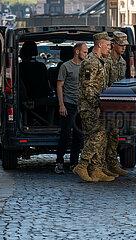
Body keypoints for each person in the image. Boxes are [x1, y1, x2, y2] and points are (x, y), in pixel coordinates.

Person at [73, 32, 115, 182]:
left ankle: (96, 169)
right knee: (98, 135)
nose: (110, 48)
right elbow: (88, 87)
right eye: (108, 45)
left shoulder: (99, 61)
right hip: (89, 107)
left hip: (95, 105)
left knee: (96, 136)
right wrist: (97, 106)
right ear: (99, 45)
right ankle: (82, 165)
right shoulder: (91, 62)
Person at [55, 43, 87, 174]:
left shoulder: (87, 66)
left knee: (79, 136)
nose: (86, 54)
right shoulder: (65, 66)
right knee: (65, 134)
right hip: (68, 104)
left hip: (82, 105)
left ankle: (74, 163)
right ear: (77, 52)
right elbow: (59, 86)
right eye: (84, 52)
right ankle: (59, 161)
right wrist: (61, 105)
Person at [102, 31, 130, 177]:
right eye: (121, 45)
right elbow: (103, 83)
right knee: (104, 136)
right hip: (107, 102)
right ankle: (104, 165)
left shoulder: (123, 62)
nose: (124, 48)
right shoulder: (106, 61)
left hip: (117, 103)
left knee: (114, 135)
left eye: (125, 45)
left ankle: (113, 164)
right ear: (114, 45)